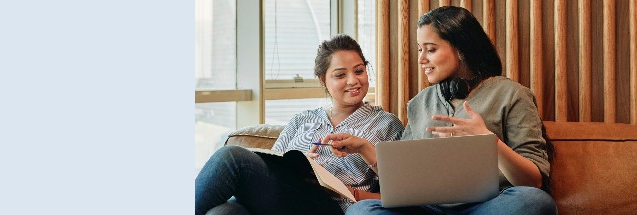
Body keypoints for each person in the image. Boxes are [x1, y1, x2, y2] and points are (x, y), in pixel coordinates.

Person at [322, 6, 557, 215]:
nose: (422, 59)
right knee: (363, 211)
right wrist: (363, 147)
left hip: (489, 205)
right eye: (419, 50)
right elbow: (404, 178)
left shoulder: (512, 94)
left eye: (431, 49)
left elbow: (532, 181)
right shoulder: (419, 103)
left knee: (534, 202)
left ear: (462, 50)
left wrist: (489, 140)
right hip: (429, 208)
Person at [195, 34, 404, 215]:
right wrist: (304, 165)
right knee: (225, 211)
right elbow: (272, 167)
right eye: (340, 75)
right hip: (285, 198)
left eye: (359, 71)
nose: (353, 81)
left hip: (332, 206)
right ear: (323, 80)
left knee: (231, 157)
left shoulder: (387, 124)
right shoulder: (301, 120)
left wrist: (358, 159)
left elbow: (400, 189)